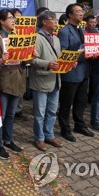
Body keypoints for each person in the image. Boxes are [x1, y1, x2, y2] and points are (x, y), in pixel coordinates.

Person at [0, 9, 33, 159]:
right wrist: (1, 60)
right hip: (3, 81)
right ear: (1, 21)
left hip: (18, 79)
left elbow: (25, 60)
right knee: (0, 116)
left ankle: (8, 140)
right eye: (10, 18)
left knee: (10, 114)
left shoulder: (18, 36)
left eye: (14, 18)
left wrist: (30, 56)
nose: (13, 20)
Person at [57, 3, 95, 142]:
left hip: (84, 71)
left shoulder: (83, 30)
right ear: (70, 15)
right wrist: (83, 55)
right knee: (66, 102)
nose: (81, 13)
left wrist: (93, 52)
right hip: (71, 72)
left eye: (82, 11)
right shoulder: (65, 31)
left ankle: (79, 124)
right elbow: (63, 52)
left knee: (81, 101)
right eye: (78, 11)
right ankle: (65, 128)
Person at [29, 11, 63, 151]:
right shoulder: (35, 38)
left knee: (52, 111)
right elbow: (31, 59)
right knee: (40, 113)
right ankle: (39, 138)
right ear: (44, 22)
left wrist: (68, 63)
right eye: (53, 19)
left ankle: (49, 135)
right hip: (41, 80)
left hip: (55, 80)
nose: (56, 22)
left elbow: (59, 57)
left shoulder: (56, 39)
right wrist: (47, 64)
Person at [11, 8, 28, 121]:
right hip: (10, 66)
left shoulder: (24, 31)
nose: (18, 20)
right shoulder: (9, 32)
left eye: (20, 18)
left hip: (22, 64)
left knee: (21, 87)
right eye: (16, 17)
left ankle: (19, 110)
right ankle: (12, 110)